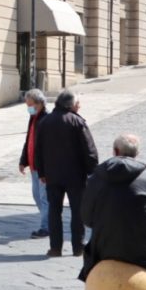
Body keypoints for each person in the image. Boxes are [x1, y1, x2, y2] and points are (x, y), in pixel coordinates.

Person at [79, 134, 146, 282]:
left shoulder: (96, 177)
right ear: (137, 154)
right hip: (142, 248)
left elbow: (86, 216)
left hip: (104, 246)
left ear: (115, 151)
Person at [34, 89, 98, 258]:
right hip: (76, 176)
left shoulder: (45, 122)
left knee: (54, 211)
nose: (79, 106)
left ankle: (55, 248)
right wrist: (92, 171)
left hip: (52, 175)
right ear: (71, 105)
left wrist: (41, 172)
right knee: (78, 211)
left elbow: (38, 151)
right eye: (78, 103)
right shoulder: (77, 122)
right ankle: (78, 247)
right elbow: (89, 150)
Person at [19, 89, 50, 238]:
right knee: (37, 196)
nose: (28, 108)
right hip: (33, 166)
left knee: (44, 198)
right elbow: (29, 141)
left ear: (39, 104)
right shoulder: (33, 118)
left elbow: (46, 147)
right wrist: (23, 161)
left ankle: (46, 227)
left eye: (30, 105)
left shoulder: (46, 119)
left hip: (42, 168)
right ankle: (49, 222)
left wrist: (44, 170)